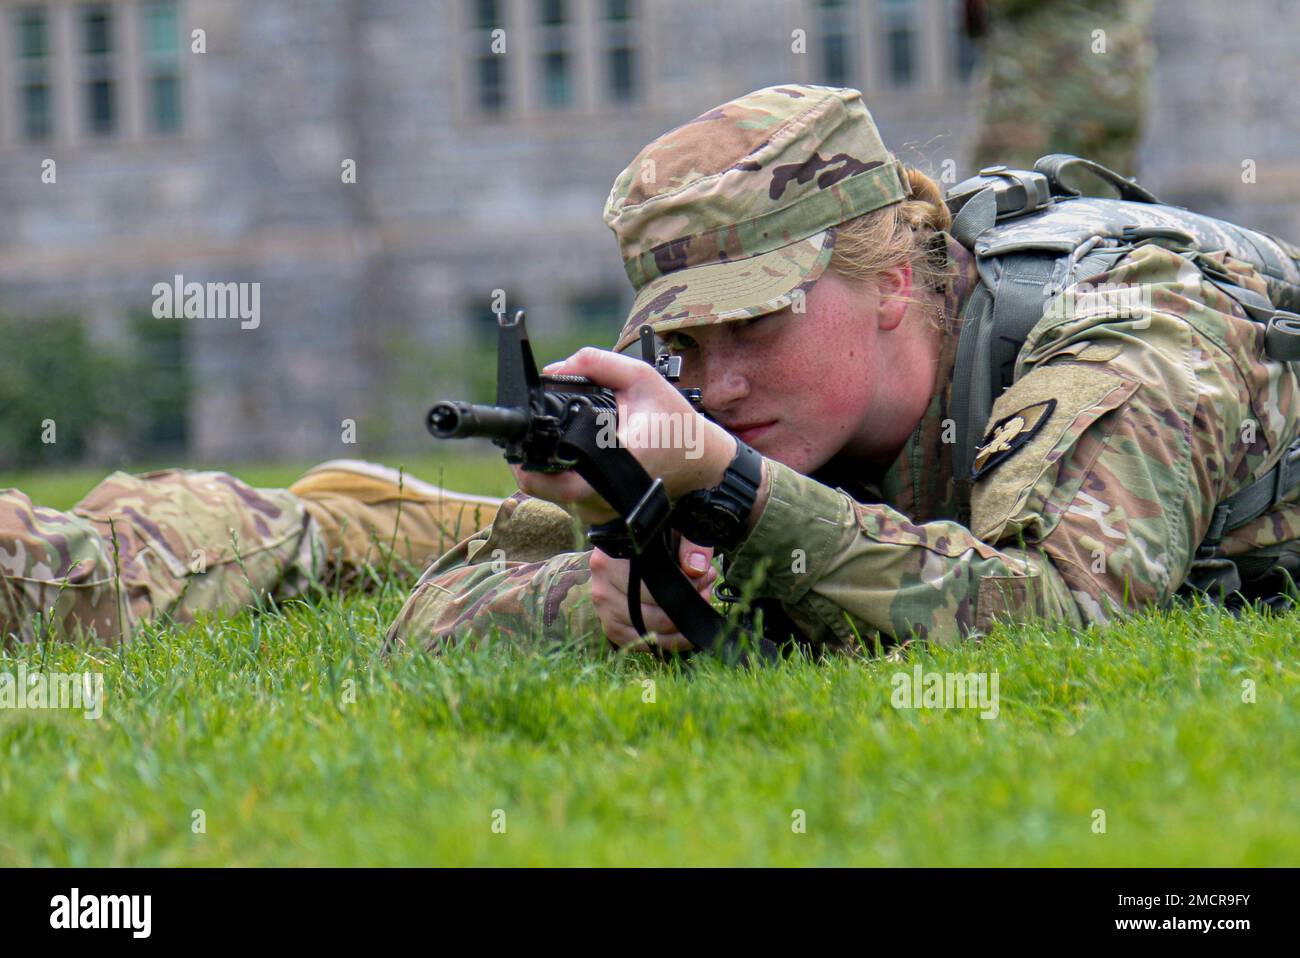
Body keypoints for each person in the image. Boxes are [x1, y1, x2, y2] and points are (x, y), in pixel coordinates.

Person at [5, 83, 1299, 659]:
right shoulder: (780, 386)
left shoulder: (1123, 342)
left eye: (755, 326)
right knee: (364, 525)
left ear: (893, 279)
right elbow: (438, 615)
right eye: (684, 340)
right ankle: (41, 572)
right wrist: (601, 539)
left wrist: (733, 495)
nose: (712, 377)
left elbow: (1056, 621)